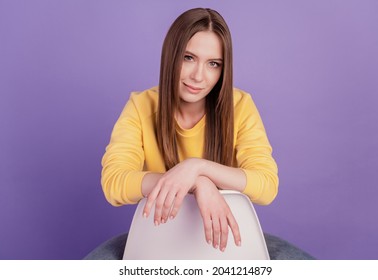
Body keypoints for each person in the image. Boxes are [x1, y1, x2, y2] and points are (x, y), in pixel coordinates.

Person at [84, 7, 314, 260]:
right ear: (171, 55)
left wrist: (196, 167)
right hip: (159, 237)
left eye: (213, 64)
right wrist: (196, 183)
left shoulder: (240, 106)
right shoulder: (141, 106)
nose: (198, 76)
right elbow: (114, 183)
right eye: (188, 58)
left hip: (226, 239)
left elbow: (266, 185)